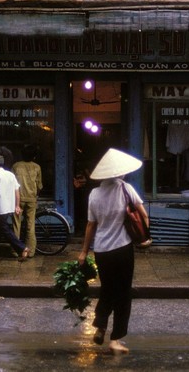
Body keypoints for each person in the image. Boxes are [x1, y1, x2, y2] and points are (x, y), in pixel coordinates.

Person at [78, 148, 149, 355]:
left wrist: (84, 252)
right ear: (120, 172)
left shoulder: (94, 194)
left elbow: (91, 225)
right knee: (123, 293)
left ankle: (100, 325)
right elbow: (143, 215)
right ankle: (115, 338)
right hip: (123, 249)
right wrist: (146, 238)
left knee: (108, 288)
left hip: (102, 250)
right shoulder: (126, 189)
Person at [12, 145, 42, 256]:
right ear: (34, 156)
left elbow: (12, 183)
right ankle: (30, 252)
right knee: (30, 225)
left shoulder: (16, 166)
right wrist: (36, 195)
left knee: (16, 224)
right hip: (31, 198)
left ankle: (15, 250)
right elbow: (39, 185)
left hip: (18, 199)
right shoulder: (37, 167)